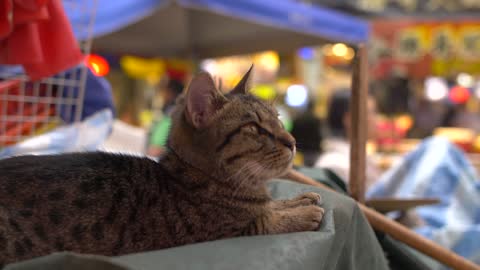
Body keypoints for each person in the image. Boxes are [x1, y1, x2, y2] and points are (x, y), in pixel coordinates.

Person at [314, 89, 382, 189]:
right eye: (371, 112)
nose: (376, 119)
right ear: (349, 119)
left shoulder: (354, 157)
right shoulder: (336, 165)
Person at [146, 78, 185, 157]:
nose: (163, 94)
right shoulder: (172, 111)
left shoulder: (172, 113)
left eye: (165, 91)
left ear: (171, 93)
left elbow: (156, 148)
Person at [290, 101, 323, 167]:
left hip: (300, 149)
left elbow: (293, 133)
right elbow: (319, 135)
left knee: (299, 168)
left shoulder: (298, 119)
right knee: (312, 168)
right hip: (313, 150)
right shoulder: (316, 120)